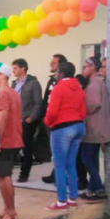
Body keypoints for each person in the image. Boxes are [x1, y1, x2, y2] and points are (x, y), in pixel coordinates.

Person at [43, 62, 87, 210]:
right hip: (78, 126)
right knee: (71, 163)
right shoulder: (79, 89)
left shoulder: (58, 88)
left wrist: (48, 122)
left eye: (56, 72)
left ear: (61, 73)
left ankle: (61, 201)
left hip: (61, 128)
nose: (55, 75)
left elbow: (52, 111)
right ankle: (72, 199)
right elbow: (83, 111)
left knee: (59, 165)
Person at [0, 63, 23, 219]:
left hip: (6, 141)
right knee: (2, 175)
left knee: (3, 176)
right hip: (14, 139)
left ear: (3, 76)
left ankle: (11, 212)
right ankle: (8, 208)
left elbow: (3, 118)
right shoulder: (14, 93)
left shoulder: (3, 94)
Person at [80, 57, 110, 202]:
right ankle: (92, 190)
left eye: (86, 66)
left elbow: (92, 104)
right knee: (92, 158)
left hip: (94, 127)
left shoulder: (94, 83)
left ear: (93, 67)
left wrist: (79, 109)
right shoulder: (99, 82)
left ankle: (98, 188)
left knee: (86, 157)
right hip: (98, 126)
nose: (83, 69)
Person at [10, 59, 43, 184]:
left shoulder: (33, 83)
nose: (13, 71)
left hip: (26, 119)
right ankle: (7, 171)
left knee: (26, 147)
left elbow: (38, 102)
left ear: (23, 69)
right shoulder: (14, 84)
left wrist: (31, 118)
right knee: (12, 146)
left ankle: (24, 173)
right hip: (14, 119)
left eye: (15, 68)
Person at [42, 54, 67, 184]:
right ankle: (55, 173)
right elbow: (45, 100)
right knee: (54, 150)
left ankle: (61, 177)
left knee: (60, 150)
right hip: (49, 120)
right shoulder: (51, 80)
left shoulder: (64, 83)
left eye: (54, 62)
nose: (51, 63)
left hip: (59, 121)